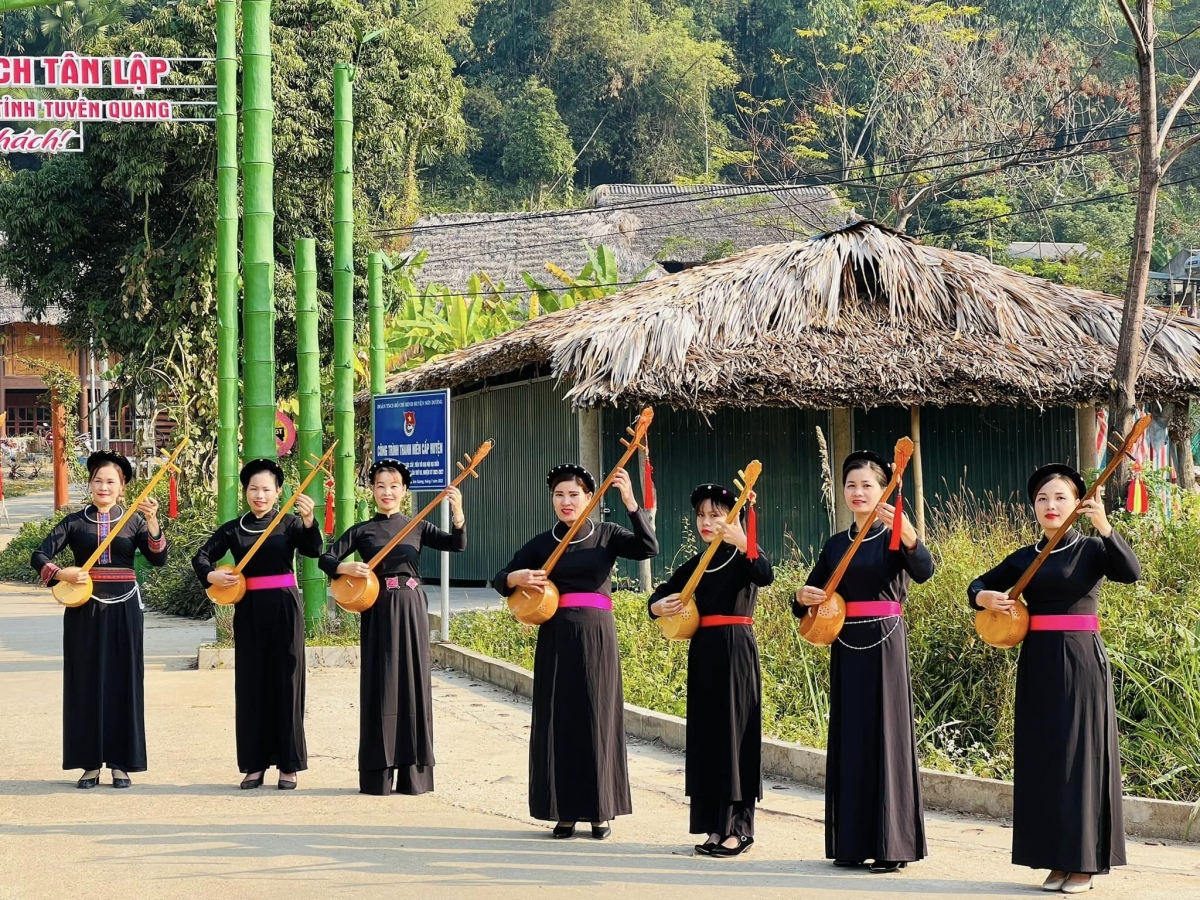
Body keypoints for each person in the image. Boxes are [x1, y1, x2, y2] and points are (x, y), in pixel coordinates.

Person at [969, 464, 1140, 895]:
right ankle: (1054, 858)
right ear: (1033, 506)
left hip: (1082, 662)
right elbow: (979, 584)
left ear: (1078, 503)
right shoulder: (1025, 556)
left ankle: (1082, 862)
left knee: (1080, 758)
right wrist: (983, 596)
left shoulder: (1091, 549)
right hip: (1038, 661)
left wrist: (1105, 526)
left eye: (1061, 497)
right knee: (1043, 759)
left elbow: (1130, 572)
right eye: (1043, 498)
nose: (1051, 505)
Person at [493, 463, 657, 839]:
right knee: (560, 721)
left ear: (589, 497)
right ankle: (564, 810)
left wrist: (631, 503)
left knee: (597, 719)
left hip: (598, 637)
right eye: (559, 495)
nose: (566, 501)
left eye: (574, 494)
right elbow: (501, 578)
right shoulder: (541, 543)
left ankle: (600, 812)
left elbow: (648, 547)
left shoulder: (607, 535)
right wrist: (515, 577)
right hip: (556, 636)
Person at [793, 450, 933, 873]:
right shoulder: (836, 544)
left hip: (886, 642)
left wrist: (910, 537)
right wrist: (801, 596)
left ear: (883, 491)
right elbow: (809, 595)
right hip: (846, 642)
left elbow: (924, 571)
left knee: (887, 736)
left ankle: (893, 845)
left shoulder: (895, 535)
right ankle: (851, 843)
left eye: (867, 485)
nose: (858, 492)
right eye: (851, 485)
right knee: (851, 736)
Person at [320, 459, 466, 796]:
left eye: (394, 486)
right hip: (377, 607)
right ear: (373, 490)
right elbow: (326, 558)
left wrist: (458, 513)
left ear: (404, 490)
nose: (387, 492)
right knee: (380, 681)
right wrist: (346, 568)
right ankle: (378, 775)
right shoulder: (363, 531)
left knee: (413, 681)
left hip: (411, 607)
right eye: (381, 486)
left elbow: (456, 545)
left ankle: (414, 775)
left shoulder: (418, 525)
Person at [648, 483, 773, 858]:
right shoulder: (697, 564)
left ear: (733, 519)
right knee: (708, 738)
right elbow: (660, 593)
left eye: (716, 515)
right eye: (701, 515)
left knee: (736, 737)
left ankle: (739, 829)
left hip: (736, 650)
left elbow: (765, 574)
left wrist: (744, 542)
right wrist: (658, 606)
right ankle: (715, 827)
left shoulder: (744, 555)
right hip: (703, 652)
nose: (706, 522)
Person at [32, 450, 167, 789]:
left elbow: (158, 558)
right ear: (90, 484)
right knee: (85, 682)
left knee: (124, 680)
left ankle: (121, 763)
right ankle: (89, 763)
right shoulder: (74, 522)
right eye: (98, 481)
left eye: (111, 482)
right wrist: (61, 573)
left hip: (124, 609)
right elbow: (39, 554)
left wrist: (152, 522)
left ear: (122, 487)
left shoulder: (134, 521)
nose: (104, 487)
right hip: (84, 609)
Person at [192, 458, 321, 790]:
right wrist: (211, 575)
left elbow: (314, 550)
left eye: (266, 489)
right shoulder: (233, 529)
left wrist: (309, 521)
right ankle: (254, 764)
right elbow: (201, 557)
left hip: (284, 607)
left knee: (287, 682)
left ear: (278, 491)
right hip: (248, 609)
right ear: (245, 491)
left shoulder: (289, 523)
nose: (259, 495)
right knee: (251, 684)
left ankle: (289, 766)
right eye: (253, 489)